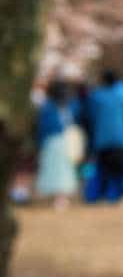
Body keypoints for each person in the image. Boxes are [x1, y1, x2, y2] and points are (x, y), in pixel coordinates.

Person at [86, 70, 123, 202]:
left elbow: (90, 116)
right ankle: (116, 195)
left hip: (102, 139)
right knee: (118, 169)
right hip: (122, 138)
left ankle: (102, 194)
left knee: (104, 169)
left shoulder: (97, 97)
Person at [35, 80, 79, 209]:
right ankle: (59, 197)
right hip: (57, 141)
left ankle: (60, 197)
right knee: (58, 169)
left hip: (61, 141)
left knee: (61, 170)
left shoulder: (65, 106)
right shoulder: (51, 107)